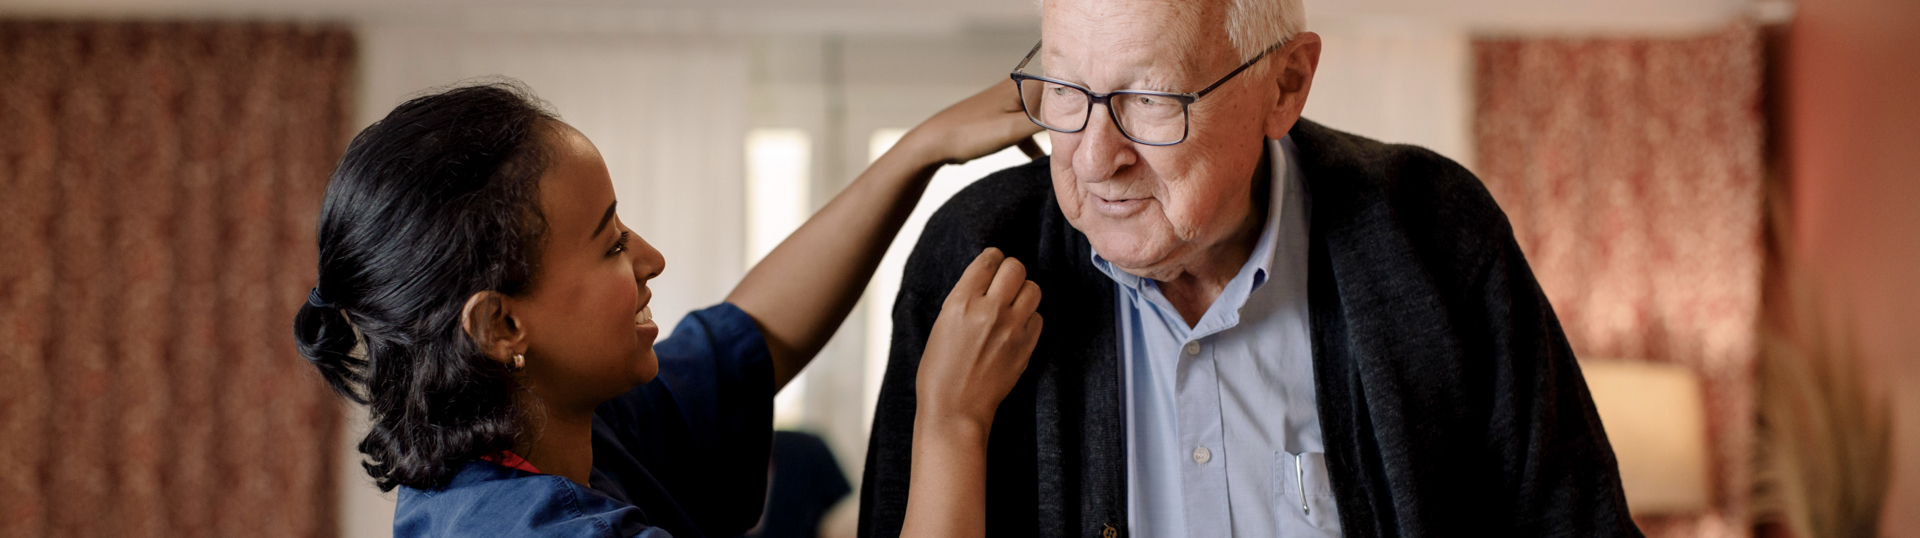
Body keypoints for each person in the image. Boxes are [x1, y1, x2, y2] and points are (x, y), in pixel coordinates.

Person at [859, 0, 1642, 536]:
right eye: (1066, 91)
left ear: (1286, 84)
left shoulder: (1435, 232)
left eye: (1153, 99)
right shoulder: (974, 253)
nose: (1096, 159)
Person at [293, 79, 1044, 538]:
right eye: (611, 243)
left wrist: (919, 149)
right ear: (502, 325)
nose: (651, 259)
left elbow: (752, 340)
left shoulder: (567, 429)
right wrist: (951, 420)